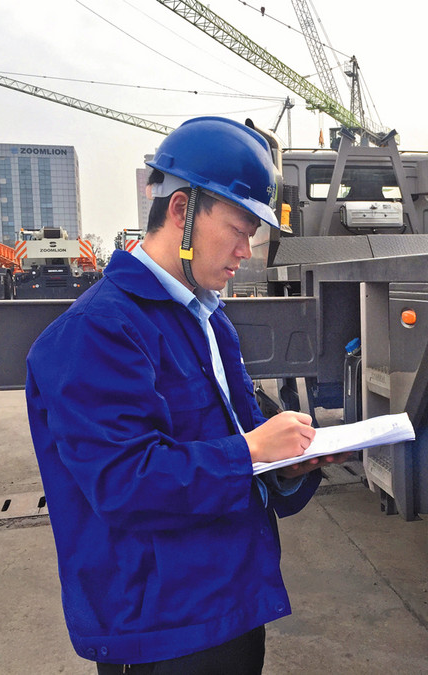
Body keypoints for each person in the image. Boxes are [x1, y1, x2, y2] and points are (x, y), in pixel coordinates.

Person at [25, 116, 347, 674]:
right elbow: (123, 482)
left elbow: (234, 442)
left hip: (227, 603)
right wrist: (251, 451)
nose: (246, 250)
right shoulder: (97, 331)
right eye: (239, 229)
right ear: (181, 210)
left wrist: (287, 465)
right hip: (159, 630)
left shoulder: (207, 318)